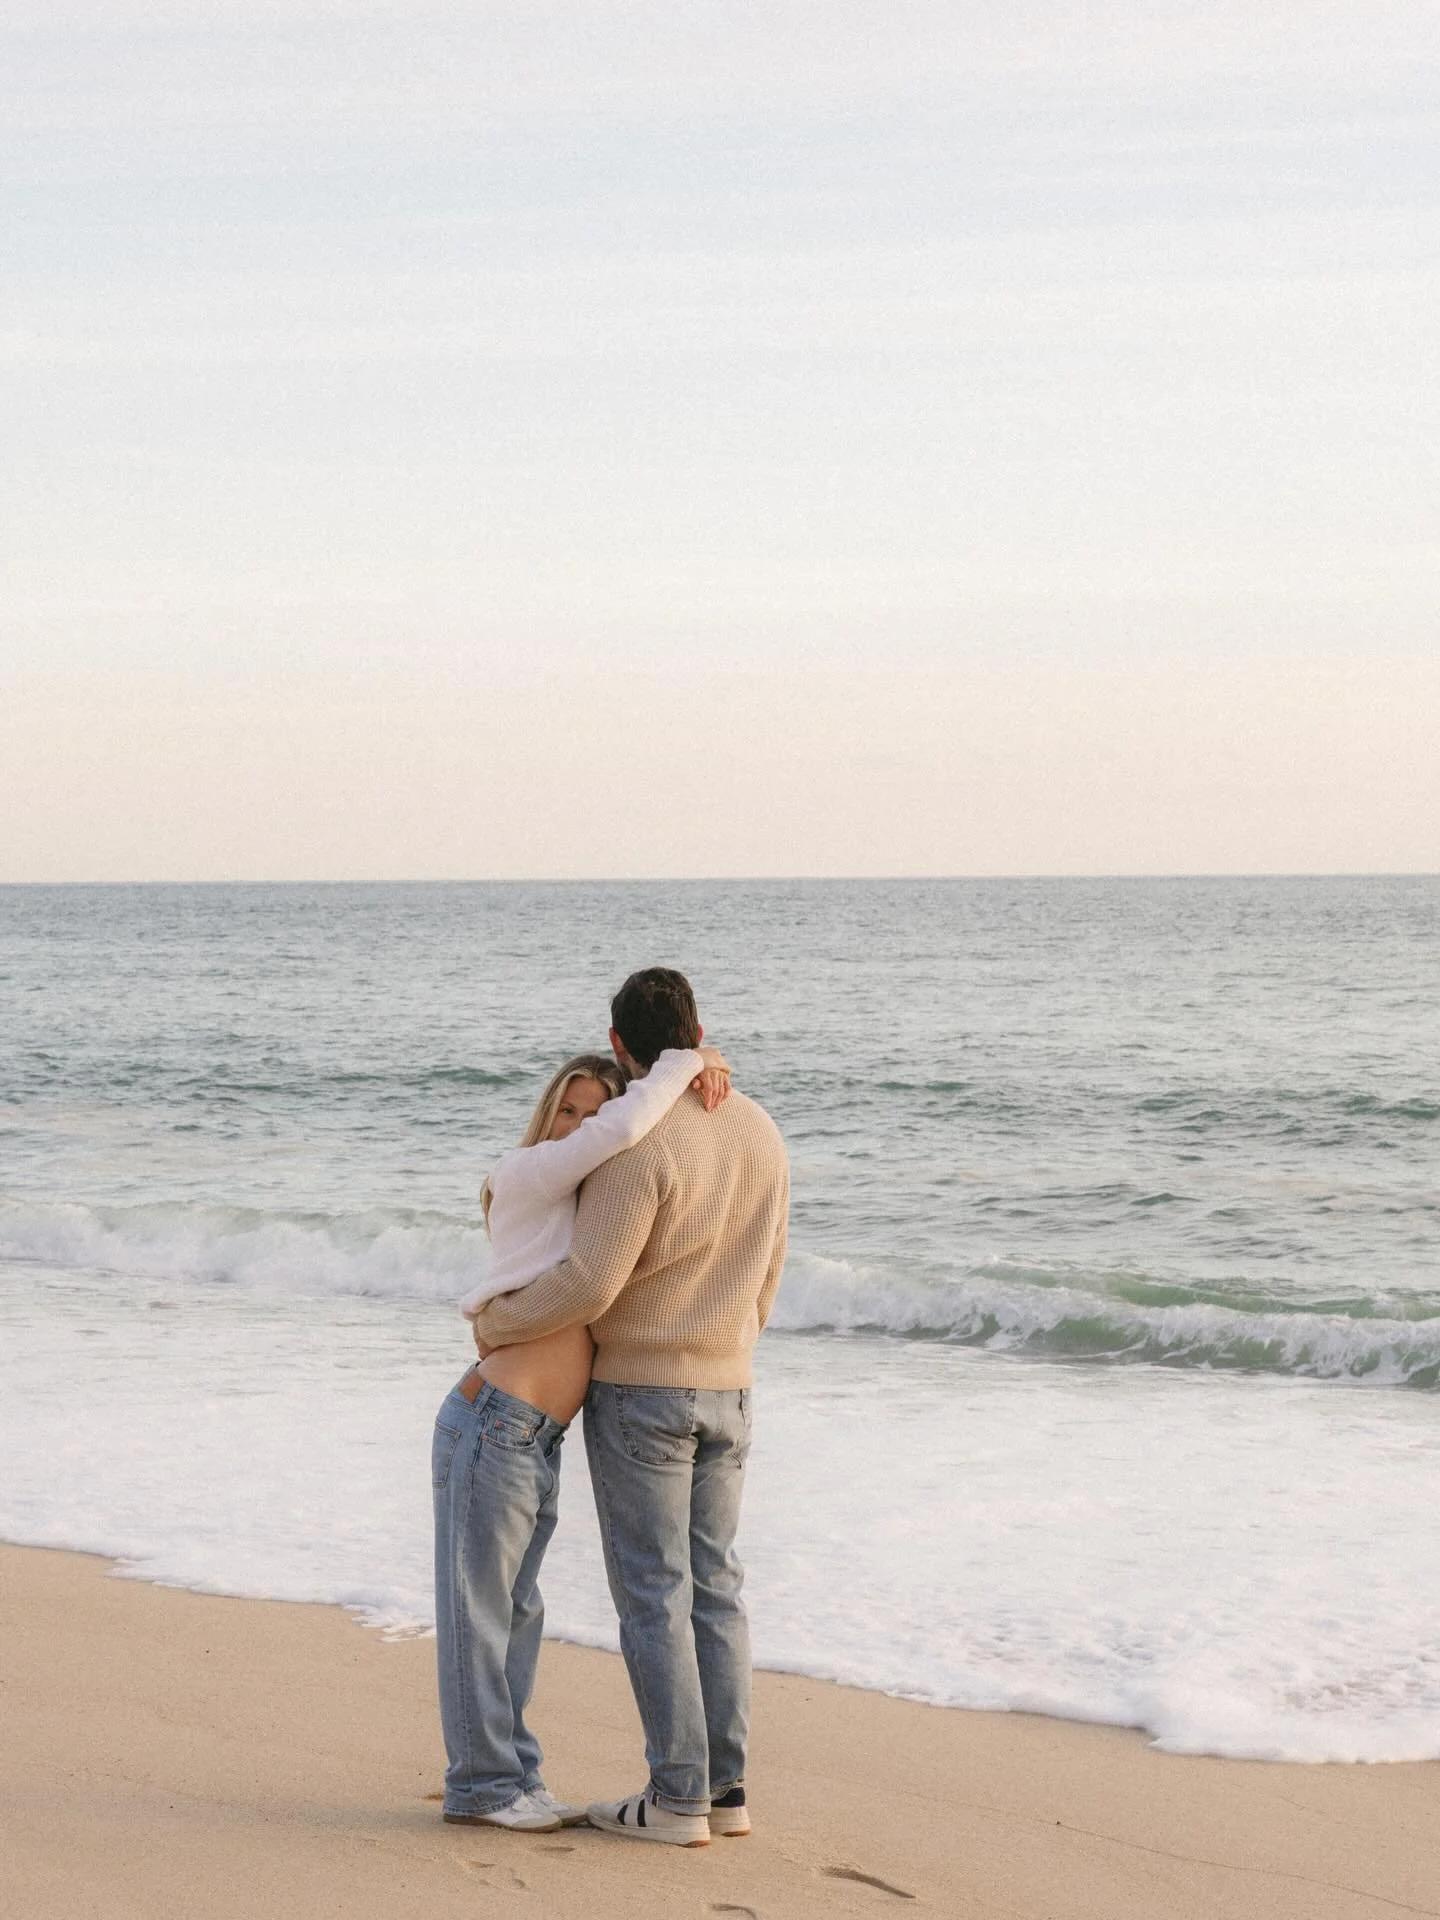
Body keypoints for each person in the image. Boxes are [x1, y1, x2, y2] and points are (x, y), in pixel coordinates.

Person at [470, 967, 790, 1849]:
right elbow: (769, 1270)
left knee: (655, 1595)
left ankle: (678, 1795)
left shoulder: (635, 1147)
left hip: (644, 1393)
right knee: (717, 1588)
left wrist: (497, 1321)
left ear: (620, 1047)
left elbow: (588, 1281)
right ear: (698, 1031)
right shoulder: (760, 1130)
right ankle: (725, 1793)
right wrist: (730, 1347)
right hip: (734, 1385)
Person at [433, 1041, 732, 1832]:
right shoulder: (526, 1171)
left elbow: (631, 1135)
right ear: (545, 1116)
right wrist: (682, 1060)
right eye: (566, 1110)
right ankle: (481, 1786)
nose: (580, 1128)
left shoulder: (588, 1197)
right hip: (492, 1423)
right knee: (480, 1613)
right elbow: (621, 1132)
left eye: (592, 1114)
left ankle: (516, 1775)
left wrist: (688, 1078)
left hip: (534, 1436)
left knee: (518, 1611)